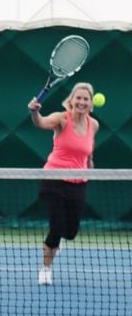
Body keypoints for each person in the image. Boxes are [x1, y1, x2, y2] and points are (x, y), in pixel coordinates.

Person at [28, 82, 98, 286]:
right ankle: (46, 269)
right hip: (54, 178)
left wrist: (91, 167)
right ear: (72, 100)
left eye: (86, 99)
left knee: (70, 232)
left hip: (78, 181)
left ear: (90, 103)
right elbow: (40, 123)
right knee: (57, 227)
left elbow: (88, 150)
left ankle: (58, 241)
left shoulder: (93, 125)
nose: (82, 102)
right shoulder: (61, 118)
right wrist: (34, 113)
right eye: (78, 98)